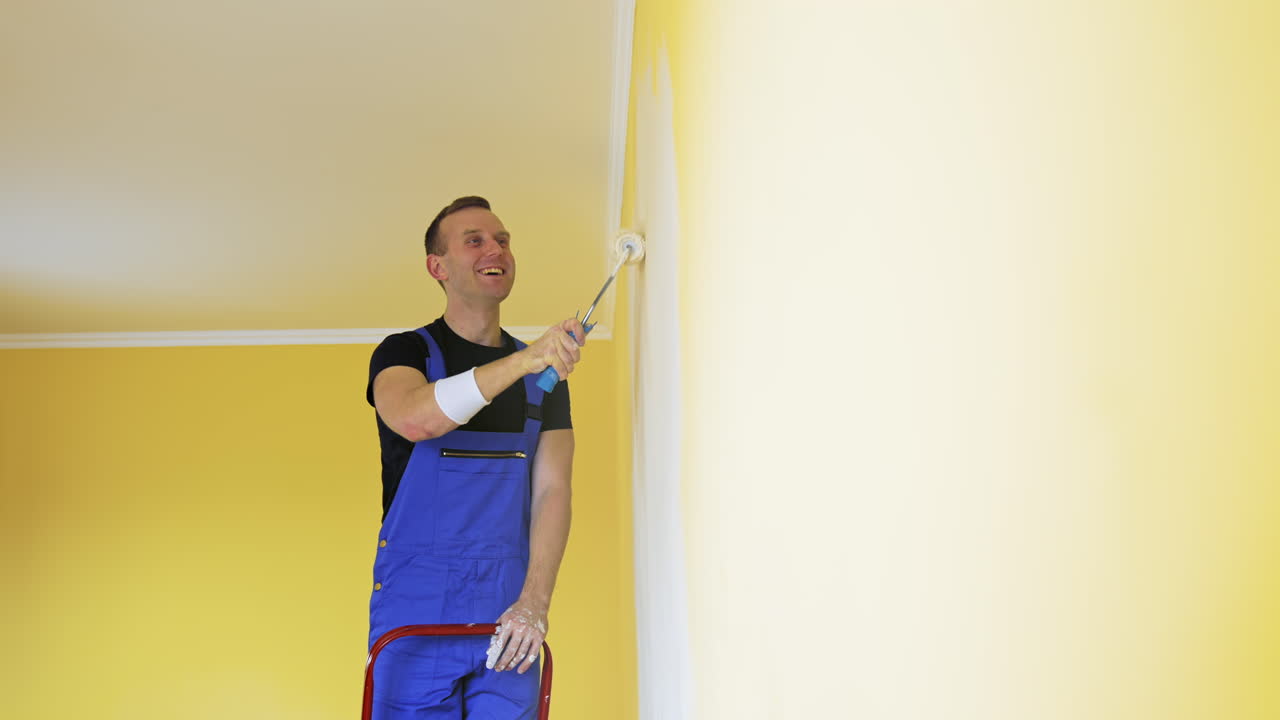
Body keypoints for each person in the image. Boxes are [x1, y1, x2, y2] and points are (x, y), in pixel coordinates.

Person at [365, 196, 585, 719]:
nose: (496, 249)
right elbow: (418, 418)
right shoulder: (403, 353)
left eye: (503, 240)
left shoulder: (545, 381)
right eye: (475, 240)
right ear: (436, 267)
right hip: (414, 621)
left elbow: (554, 493)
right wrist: (525, 359)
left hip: (509, 624)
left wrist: (535, 604)